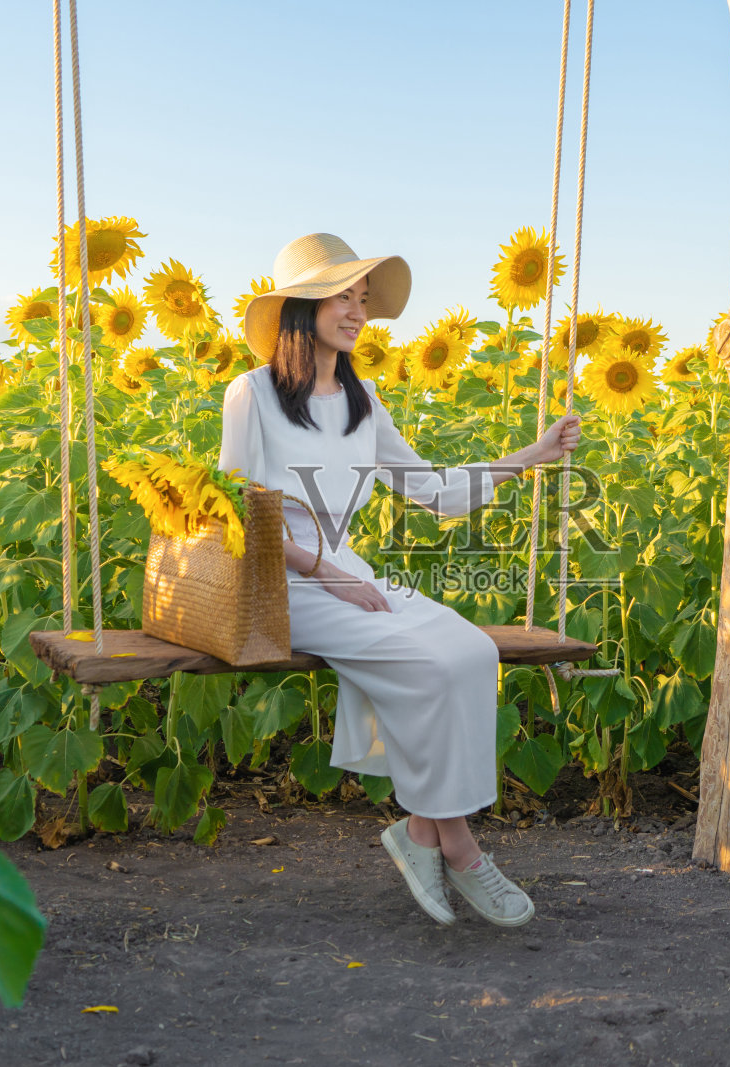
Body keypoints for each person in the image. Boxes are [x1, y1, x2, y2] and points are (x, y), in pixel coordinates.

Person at [219, 233, 581, 928]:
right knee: (426, 662)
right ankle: (464, 849)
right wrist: (326, 572)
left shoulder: (364, 399)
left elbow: (437, 493)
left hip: (346, 573)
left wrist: (531, 454)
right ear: (300, 308)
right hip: (280, 584)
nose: (357, 311)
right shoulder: (253, 393)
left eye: (362, 298)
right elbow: (242, 513)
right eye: (340, 296)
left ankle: (420, 831)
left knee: (472, 651)